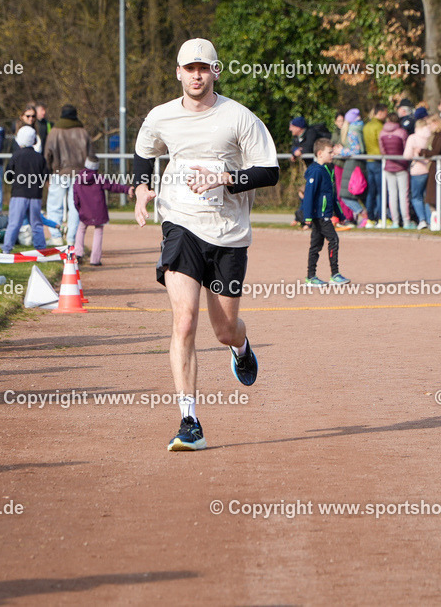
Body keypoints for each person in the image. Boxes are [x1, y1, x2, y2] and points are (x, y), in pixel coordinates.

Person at [132, 37, 279, 451]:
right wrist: (142, 187)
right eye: (189, 68)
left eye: (204, 68)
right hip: (180, 223)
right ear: (178, 72)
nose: (196, 75)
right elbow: (144, 152)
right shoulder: (161, 116)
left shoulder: (238, 117)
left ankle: (241, 346)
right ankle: (189, 420)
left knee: (223, 329)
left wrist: (226, 178)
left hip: (229, 233)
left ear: (215, 71)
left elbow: (270, 172)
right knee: (184, 321)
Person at [302, 138, 349, 284]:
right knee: (333, 239)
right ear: (320, 153)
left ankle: (311, 276)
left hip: (325, 215)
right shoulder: (316, 171)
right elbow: (309, 195)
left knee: (316, 245)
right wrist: (307, 217)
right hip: (320, 216)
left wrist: (340, 215)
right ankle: (335, 274)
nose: (332, 155)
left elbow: (332, 196)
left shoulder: (328, 170)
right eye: (330, 152)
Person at [73, 156, 134, 265]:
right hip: (98, 211)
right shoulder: (99, 178)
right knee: (98, 232)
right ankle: (95, 260)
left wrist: (79, 209)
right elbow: (113, 186)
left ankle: (78, 253)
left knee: (81, 229)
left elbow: (75, 198)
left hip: (84, 211)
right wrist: (127, 189)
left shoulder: (78, 180)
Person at [44, 104, 90, 244]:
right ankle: (71, 238)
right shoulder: (82, 132)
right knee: (75, 206)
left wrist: (47, 174)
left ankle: (56, 236)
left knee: (54, 205)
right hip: (79, 173)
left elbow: (48, 154)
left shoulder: (55, 131)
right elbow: (91, 155)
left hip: (59, 172)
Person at [2, 125, 48, 254]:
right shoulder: (39, 157)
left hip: (19, 194)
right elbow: (45, 176)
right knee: (36, 224)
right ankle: (41, 249)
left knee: (14, 223)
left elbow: (8, 175)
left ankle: (7, 248)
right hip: (35, 195)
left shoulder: (16, 156)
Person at [379, 112, 411, 228]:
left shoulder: (382, 133)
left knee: (392, 194)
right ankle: (406, 221)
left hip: (388, 165)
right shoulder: (402, 132)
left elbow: (382, 150)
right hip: (401, 166)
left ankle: (395, 221)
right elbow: (405, 148)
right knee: (403, 194)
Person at [404, 117, 433, 229]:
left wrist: (414, 153)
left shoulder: (413, 138)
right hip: (429, 169)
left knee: (416, 197)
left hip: (417, 170)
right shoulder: (430, 137)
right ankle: (430, 220)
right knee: (428, 197)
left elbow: (406, 155)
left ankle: (422, 219)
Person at [362, 104, 387, 222]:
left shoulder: (366, 126)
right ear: (380, 112)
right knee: (381, 190)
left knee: (371, 191)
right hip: (378, 160)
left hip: (369, 160)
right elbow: (382, 142)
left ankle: (370, 216)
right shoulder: (380, 126)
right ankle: (381, 216)